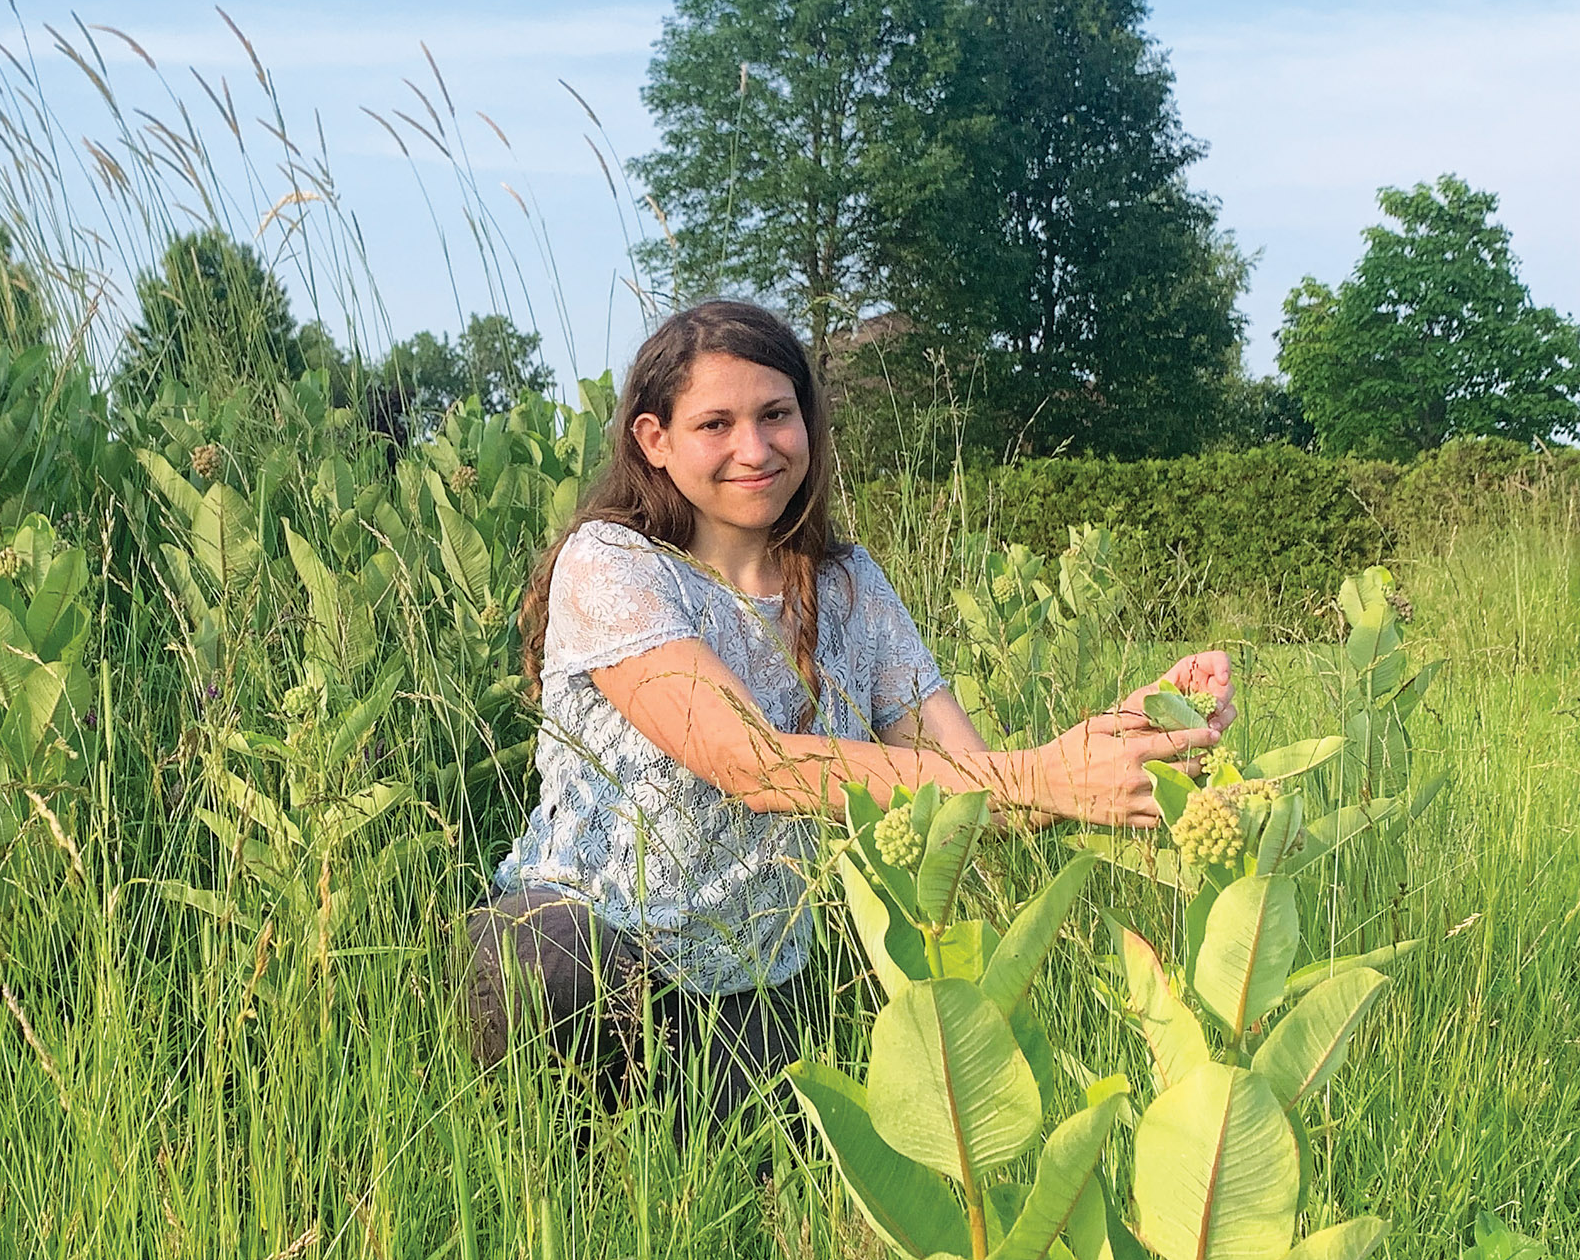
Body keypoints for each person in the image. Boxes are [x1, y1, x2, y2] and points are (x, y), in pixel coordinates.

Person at [462, 300, 1231, 1131]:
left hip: (753, 977)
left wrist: (1125, 738)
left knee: (759, 1187)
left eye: (776, 415)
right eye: (715, 423)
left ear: (807, 422)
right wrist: (1042, 776)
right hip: (587, 944)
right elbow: (750, 762)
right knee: (552, 971)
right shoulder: (612, 564)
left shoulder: (851, 586)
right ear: (655, 440)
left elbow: (971, 786)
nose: (753, 449)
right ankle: (549, 1173)